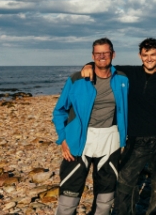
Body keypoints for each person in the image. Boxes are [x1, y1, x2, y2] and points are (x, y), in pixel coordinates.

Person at [83, 38, 156, 215]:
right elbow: (105, 64)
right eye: (145, 55)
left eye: (153, 55)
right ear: (140, 56)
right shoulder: (129, 74)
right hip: (136, 138)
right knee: (125, 183)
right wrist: (89, 64)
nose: (149, 58)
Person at [52, 38, 129, 215]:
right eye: (98, 53)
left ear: (113, 54)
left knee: (105, 196)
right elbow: (59, 111)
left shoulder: (123, 79)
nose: (102, 56)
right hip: (78, 141)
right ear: (93, 56)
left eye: (106, 52)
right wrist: (63, 139)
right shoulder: (77, 79)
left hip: (111, 140)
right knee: (69, 195)